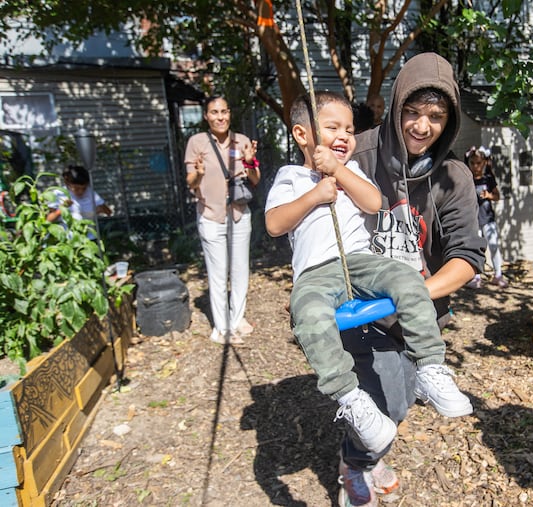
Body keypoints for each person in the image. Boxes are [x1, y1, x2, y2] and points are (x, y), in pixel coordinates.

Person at [265, 91, 471, 456]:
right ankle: (352, 399)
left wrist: (339, 171)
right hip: (314, 273)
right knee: (308, 315)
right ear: (302, 135)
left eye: (349, 129)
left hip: (361, 263)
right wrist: (314, 195)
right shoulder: (291, 176)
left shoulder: (351, 170)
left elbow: (374, 203)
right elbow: (274, 224)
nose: (345, 135)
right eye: (332, 127)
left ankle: (431, 368)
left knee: (407, 279)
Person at [336, 53, 487, 507]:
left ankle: (366, 454)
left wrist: (414, 294)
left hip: (417, 314)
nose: (422, 126)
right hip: (359, 311)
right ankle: (353, 467)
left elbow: (467, 256)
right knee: (387, 405)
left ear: (450, 121)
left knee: (395, 405)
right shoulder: (357, 154)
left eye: (436, 117)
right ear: (396, 105)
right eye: (412, 112)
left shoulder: (453, 176)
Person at [184, 95, 260, 345]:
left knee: (240, 270)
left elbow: (255, 179)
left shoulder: (242, 141)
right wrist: (199, 174)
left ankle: (237, 318)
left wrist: (250, 162)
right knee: (218, 273)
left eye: (224, 112)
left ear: (230, 113)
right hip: (211, 215)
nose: (220, 117)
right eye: (214, 112)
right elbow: (190, 182)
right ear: (206, 116)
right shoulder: (197, 142)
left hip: (238, 213)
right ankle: (221, 328)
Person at [465, 145, 507, 289]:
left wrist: (489, 195)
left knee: (494, 246)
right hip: (473, 220)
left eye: (478, 163)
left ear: (484, 163)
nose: (475, 166)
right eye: (473, 163)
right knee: (476, 248)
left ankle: (498, 275)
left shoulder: (488, 179)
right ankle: (476, 277)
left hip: (487, 218)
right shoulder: (467, 179)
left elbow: (497, 196)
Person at [47, 165, 112, 233]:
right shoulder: (59, 194)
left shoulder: (90, 192)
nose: (81, 192)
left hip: (89, 237)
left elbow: (108, 212)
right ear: (68, 184)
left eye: (84, 188)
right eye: (76, 188)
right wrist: (62, 208)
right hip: (67, 238)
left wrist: (99, 209)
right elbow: (48, 220)